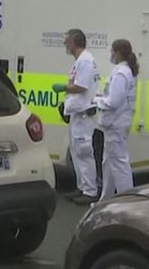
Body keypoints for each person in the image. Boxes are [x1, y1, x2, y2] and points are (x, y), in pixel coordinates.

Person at [52, 29, 101, 205]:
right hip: (77, 114)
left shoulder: (85, 61)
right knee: (76, 152)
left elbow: (81, 86)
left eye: (67, 41)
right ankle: (82, 187)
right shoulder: (81, 60)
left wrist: (63, 88)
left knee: (84, 152)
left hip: (84, 114)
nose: (65, 44)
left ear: (74, 42)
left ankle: (90, 191)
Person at [93, 39, 138, 201]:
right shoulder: (125, 71)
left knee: (119, 163)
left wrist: (97, 100)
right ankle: (106, 199)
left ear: (118, 53)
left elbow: (114, 101)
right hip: (117, 123)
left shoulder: (121, 74)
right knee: (108, 163)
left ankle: (128, 200)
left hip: (116, 124)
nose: (110, 54)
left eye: (112, 51)